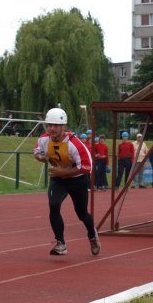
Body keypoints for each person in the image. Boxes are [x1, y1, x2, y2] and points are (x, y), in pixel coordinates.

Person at [34, 108, 101, 256]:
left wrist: (64, 172)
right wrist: (41, 157)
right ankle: (60, 243)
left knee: (82, 213)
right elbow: (37, 152)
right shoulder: (43, 139)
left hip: (78, 180)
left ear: (63, 126)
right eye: (49, 125)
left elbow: (86, 166)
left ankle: (92, 235)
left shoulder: (75, 144)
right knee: (53, 205)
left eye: (56, 125)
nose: (52, 129)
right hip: (58, 179)